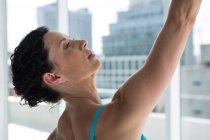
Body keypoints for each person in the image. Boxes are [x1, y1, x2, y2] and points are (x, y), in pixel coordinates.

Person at [10, 0, 202, 139]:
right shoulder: (117, 116)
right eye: (67, 45)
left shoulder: (58, 135)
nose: (82, 42)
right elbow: (181, 19)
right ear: (53, 77)